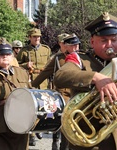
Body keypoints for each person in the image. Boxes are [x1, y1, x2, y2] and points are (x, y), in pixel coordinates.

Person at [54, 12, 117, 150]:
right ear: (92, 41)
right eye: (104, 40)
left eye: (114, 40)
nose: (110, 45)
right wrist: (95, 77)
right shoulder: (80, 59)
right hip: (90, 140)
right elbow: (60, 76)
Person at [32, 33, 81, 150]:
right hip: (63, 95)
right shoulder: (58, 59)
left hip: (78, 95)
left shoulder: (84, 58)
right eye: (72, 46)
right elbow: (45, 72)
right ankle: (57, 141)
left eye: (77, 45)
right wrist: (31, 85)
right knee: (62, 120)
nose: (75, 48)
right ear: (66, 46)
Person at [17, 28, 51, 146]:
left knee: (44, 107)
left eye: (38, 37)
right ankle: (31, 133)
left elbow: (49, 66)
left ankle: (39, 128)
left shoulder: (46, 49)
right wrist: (26, 65)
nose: (37, 38)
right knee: (32, 108)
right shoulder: (24, 50)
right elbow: (16, 65)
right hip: (31, 81)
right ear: (30, 37)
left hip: (43, 81)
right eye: (34, 36)